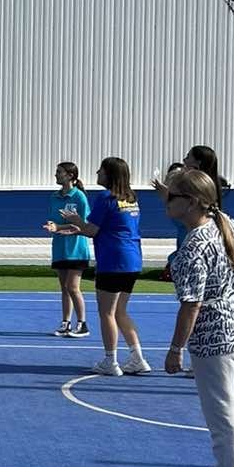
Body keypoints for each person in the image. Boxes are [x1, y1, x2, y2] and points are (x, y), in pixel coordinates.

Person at [163, 167, 234, 467]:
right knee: (228, 400)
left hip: (214, 335)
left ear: (191, 202)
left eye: (172, 196)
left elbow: (191, 305)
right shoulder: (224, 223)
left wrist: (176, 349)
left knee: (219, 407)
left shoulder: (194, 246)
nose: (166, 202)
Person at [48, 157, 150, 377]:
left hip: (113, 260)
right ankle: (137, 357)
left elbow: (92, 230)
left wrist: (77, 221)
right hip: (132, 259)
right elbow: (111, 227)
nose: (97, 173)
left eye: (101, 170)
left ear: (109, 174)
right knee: (120, 311)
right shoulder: (131, 198)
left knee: (107, 313)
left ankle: (110, 360)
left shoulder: (106, 197)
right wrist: (79, 228)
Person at [48, 161, 91, 337]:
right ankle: (66, 322)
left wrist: (60, 227)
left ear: (70, 176)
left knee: (73, 287)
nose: (56, 175)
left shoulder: (79, 197)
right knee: (64, 288)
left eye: (60, 172)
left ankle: (82, 323)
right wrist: (52, 226)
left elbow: (84, 223)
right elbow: (54, 220)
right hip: (60, 248)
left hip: (76, 249)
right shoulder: (54, 197)